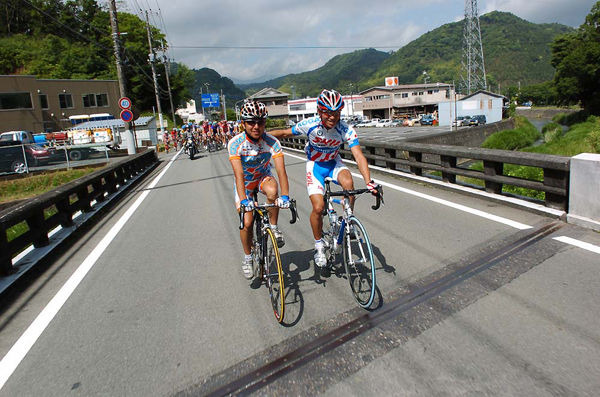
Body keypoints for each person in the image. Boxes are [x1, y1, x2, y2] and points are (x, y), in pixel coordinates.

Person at [269, 89, 380, 268]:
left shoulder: (345, 129)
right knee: (319, 208)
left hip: (334, 164)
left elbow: (359, 156)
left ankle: (347, 219)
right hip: (315, 167)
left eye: (336, 113)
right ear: (320, 111)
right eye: (328, 112)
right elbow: (283, 133)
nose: (332, 117)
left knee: (349, 183)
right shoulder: (310, 124)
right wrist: (258, 138)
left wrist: (369, 181)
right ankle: (319, 244)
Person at [228, 100, 291, 279]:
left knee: (273, 191)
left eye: (261, 122)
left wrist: (285, 196)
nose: (256, 126)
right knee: (247, 222)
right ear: (243, 123)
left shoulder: (272, 142)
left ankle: (273, 226)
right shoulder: (235, 143)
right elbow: (239, 174)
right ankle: (248, 258)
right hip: (245, 184)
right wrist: (244, 200)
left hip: (262, 177)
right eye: (251, 122)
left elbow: (281, 170)